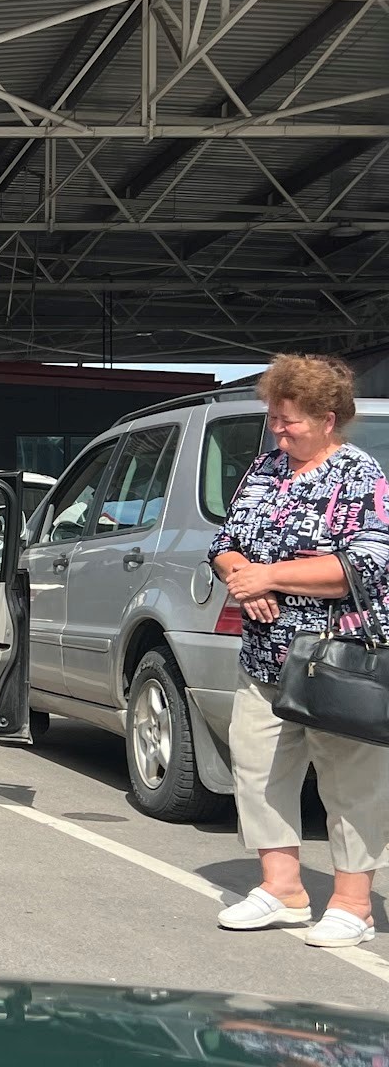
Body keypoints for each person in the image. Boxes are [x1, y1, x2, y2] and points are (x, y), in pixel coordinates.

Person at [210, 353, 389, 949]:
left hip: (335, 657)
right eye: (274, 418)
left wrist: (271, 578)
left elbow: (366, 565)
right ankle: (282, 889)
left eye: (289, 421)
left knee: (348, 782)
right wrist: (242, 576)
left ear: (328, 417)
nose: (277, 431)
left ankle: (353, 904)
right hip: (264, 657)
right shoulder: (265, 468)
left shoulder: (359, 475)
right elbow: (227, 542)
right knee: (258, 771)